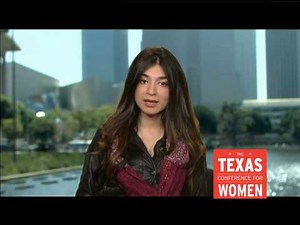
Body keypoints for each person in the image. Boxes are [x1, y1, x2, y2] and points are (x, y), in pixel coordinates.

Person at [76, 47, 211, 196]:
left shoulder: (189, 143)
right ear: (133, 85)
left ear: (174, 90)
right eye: (144, 81)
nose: (151, 91)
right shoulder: (107, 137)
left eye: (162, 83)